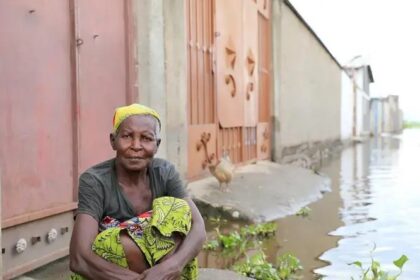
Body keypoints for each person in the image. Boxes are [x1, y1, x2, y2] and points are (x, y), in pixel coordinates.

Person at [69, 104, 206, 280]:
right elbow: (79, 258)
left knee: (177, 208)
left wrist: (172, 267)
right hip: (109, 274)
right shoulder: (95, 180)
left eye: (146, 138)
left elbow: (199, 227)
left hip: (163, 268)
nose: (136, 146)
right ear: (113, 140)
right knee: (118, 241)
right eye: (126, 136)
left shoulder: (165, 173)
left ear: (157, 145)